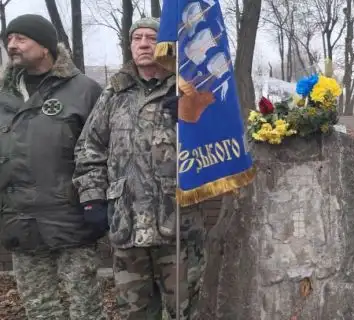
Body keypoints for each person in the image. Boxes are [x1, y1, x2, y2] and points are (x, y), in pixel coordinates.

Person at [72, 17, 204, 320]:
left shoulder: (187, 90)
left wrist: (195, 113)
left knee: (183, 312)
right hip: (127, 227)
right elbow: (89, 148)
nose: (144, 44)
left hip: (177, 227)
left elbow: (215, 145)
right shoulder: (114, 94)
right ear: (130, 45)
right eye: (137, 38)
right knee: (134, 313)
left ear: (166, 45)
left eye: (151, 38)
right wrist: (92, 197)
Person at [0, 14, 105, 319]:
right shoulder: (4, 95)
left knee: (86, 309)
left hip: (71, 219)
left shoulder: (84, 90)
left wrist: (95, 201)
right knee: (40, 310)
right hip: (20, 222)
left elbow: (101, 150)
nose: (12, 45)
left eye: (21, 38)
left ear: (45, 47)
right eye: (9, 39)